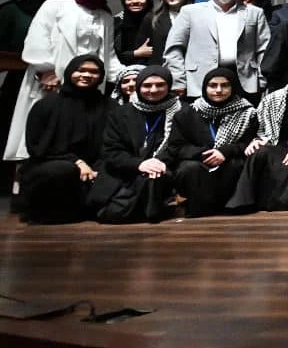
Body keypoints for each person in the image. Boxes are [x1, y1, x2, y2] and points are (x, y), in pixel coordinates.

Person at [5, 0, 119, 162]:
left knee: (79, 129)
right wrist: (46, 70)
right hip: (52, 77)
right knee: (44, 127)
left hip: (89, 82)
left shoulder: (106, 16)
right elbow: (38, 37)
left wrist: (128, 75)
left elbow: (108, 54)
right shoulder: (57, 4)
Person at [14, 54, 107, 223]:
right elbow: (36, 146)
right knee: (63, 171)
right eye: (81, 70)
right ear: (70, 72)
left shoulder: (108, 105)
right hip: (51, 161)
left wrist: (96, 167)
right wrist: (77, 162)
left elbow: (111, 143)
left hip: (95, 164)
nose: (87, 75)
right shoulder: (47, 105)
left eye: (94, 72)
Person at [90, 65, 184, 223]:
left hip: (163, 168)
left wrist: (158, 162)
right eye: (147, 85)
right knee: (111, 213)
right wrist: (139, 164)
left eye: (160, 85)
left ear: (169, 86)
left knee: (154, 181)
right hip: (125, 169)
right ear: (139, 87)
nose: (153, 90)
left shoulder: (182, 111)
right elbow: (111, 150)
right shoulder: (120, 113)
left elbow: (181, 146)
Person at [163, 0, 271, 100]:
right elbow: (174, 49)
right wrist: (178, 79)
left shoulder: (255, 13)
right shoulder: (190, 12)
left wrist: (261, 79)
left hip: (244, 82)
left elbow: (264, 50)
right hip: (198, 80)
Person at [164, 67, 259, 217]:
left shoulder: (247, 112)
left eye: (225, 85)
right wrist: (205, 154)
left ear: (233, 86)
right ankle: (199, 208)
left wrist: (224, 152)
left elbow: (249, 142)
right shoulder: (187, 113)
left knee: (237, 165)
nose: (219, 90)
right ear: (204, 88)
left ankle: (233, 206)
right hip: (198, 159)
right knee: (189, 169)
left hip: (230, 157)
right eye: (213, 85)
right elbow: (176, 147)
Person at [232, 58, 288, 211]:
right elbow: (261, 129)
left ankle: (283, 203)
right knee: (259, 152)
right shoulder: (273, 99)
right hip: (278, 148)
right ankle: (243, 203)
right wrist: (256, 140)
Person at [112, 0, 156, 68]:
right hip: (121, 70)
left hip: (152, 71)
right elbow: (110, 54)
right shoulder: (116, 21)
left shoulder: (157, 21)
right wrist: (135, 54)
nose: (135, 1)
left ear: (148, 0)